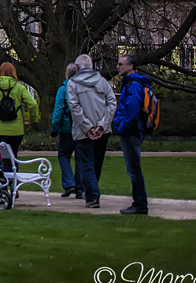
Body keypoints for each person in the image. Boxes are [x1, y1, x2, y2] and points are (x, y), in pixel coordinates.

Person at [66, 53, 116, 209]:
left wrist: (88, 128)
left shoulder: (72, 84)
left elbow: (75, 108)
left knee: (87, 164)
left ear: (78, 68)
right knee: (96, 164)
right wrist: (102, 125)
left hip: (83, 132)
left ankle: (93, 195)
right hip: (102, 130)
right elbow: (112, 103)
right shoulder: (102, 82)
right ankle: (91, 193)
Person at [113, 54, 154, 215]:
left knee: (134, 169)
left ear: (130, 66)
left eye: (120, 64)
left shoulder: (134, 85)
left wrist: (122, 126)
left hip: (131, 131)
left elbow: (132, 109)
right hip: (131, 130)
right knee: (134, 169)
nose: (118, 67)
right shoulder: (132, 84)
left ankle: (140, 204)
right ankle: (138, 202)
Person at [0, 62, 39, 156]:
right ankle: (13, 170)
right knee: (13, 158)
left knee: (0, 158)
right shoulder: (20, 88)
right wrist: (32, 119)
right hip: (16, 130)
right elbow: (33, 104)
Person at [51, 62, 80, 198]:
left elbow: (58, 111)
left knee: (63, 155)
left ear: (67, 74)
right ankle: (80, 187)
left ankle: (69, 183)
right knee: (81, 157)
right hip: (81, 127)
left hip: (67, 128)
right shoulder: (83, 88)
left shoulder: (63, 89)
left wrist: (54, 130)